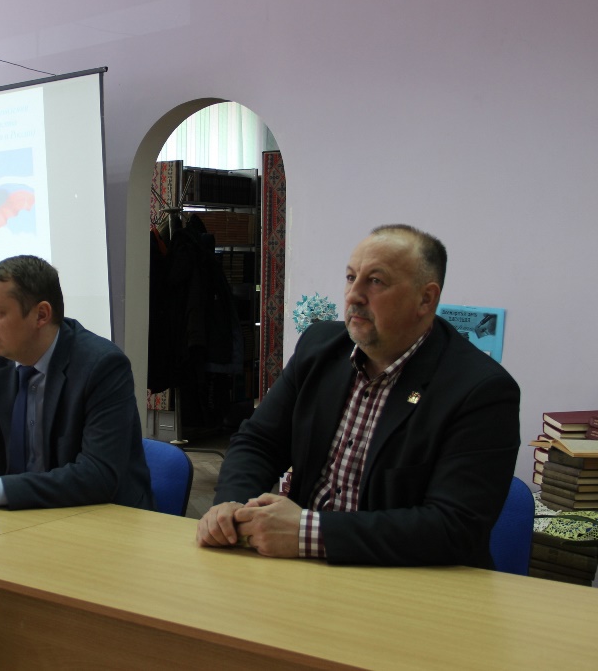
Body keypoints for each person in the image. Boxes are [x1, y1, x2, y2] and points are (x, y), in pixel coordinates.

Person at [197, 224, 520, 567]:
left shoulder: (481, 390)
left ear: (426, 299)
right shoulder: (320, 348)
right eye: (351, 278)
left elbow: (453, 527)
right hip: (301, 567)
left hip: (406, 580)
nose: (354, 295)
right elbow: (259, 441)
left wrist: (308, 531)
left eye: (375, 281)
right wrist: (232, 505)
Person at [0, 255, 153, 510]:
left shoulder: (102, 366)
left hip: (100, 518)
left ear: (41, 315)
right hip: (23, 515)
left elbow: (98, 476)